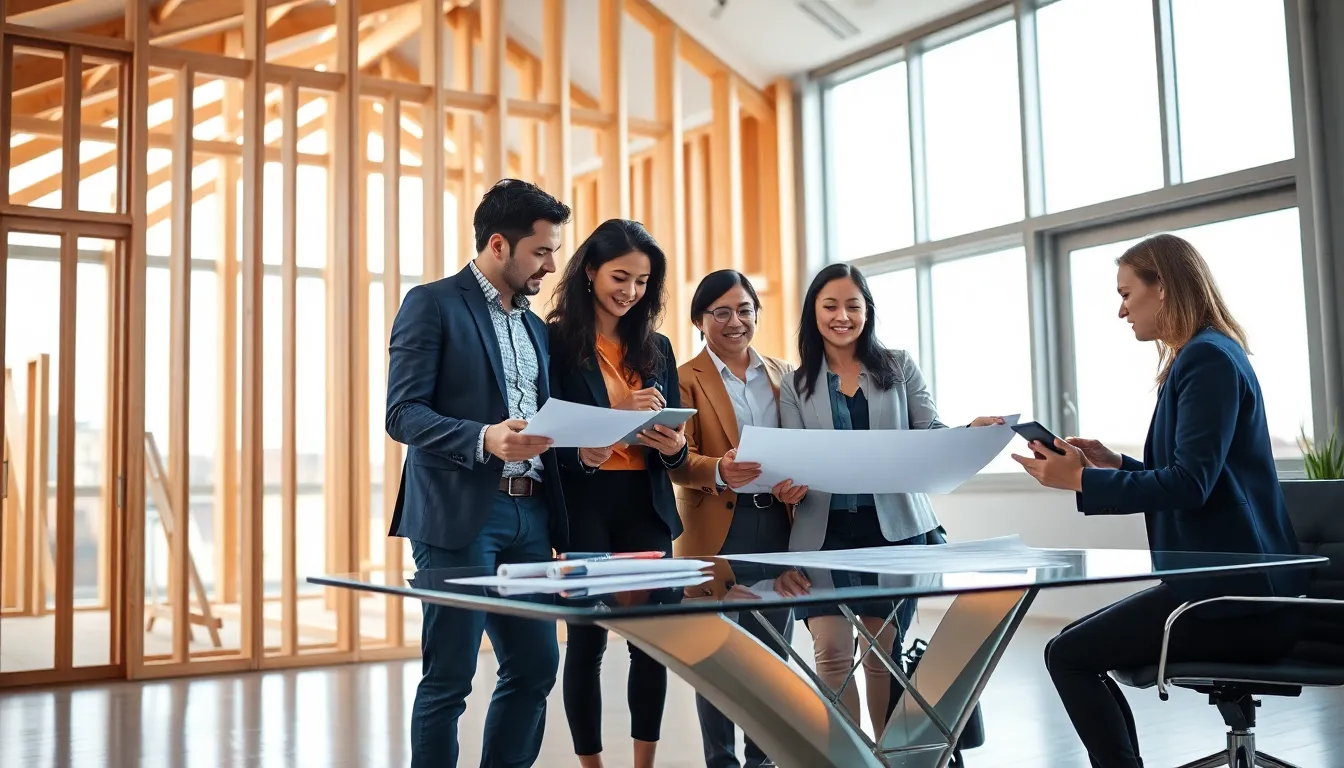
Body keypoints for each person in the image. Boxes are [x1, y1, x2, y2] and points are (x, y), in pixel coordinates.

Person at [1012, 234, 1304, 768]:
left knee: (1067, 655)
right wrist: (1112, 464)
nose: (1120, 309)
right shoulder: (1208, 354)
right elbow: (1198, 479)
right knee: (1069, 648)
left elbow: (1189, 486)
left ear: (1163, 288)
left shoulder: (1206, 360)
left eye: (1127, 293)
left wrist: (1079, 482)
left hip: (1234, 599)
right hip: (1227, 586)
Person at [384, 179, 573, 767]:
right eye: (541, 252)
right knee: (450, 678)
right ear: (499, 244)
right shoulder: (432, 303)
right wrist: (483, 437)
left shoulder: (536, 328)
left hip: (532, 512)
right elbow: (402, 413)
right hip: (461, 513)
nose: (550, 265)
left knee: (537, 665)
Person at [774, 262, 1002, 735]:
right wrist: (785, 483)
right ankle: (846, 759)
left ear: (867, 311)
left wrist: (967, 433)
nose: (842, 316)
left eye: (852, 306)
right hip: (823, 534)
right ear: (812, 313)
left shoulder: (898, 366)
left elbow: (929, 432)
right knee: (830, 651)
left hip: (894, 528)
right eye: (830, 305)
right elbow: (793, 458)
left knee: (882, 654)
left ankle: (888, 757)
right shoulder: (795, 384)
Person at [546, 219, 688, 768]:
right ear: (589, 271)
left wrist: (673, 443)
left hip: (645, 504)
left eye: (643, 281)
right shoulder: (554, 340)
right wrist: (606, 424)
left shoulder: (660, 347)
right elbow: (547, 430)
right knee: (586, 642)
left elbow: (675, 444)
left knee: (651, 642)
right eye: (620, 276)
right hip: (586, 504)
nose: (630, 291)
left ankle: (643, 764)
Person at [668, 269, 807, 768]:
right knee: (719, 656)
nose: (734, 321)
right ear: (700, 320)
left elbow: (803, 448)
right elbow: (676, 463)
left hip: (779, 526)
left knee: (772, 657)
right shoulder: (683, 379)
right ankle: (721, 761)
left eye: (744, 310)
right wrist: (720, 470)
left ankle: (763, 760)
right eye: (720, 312)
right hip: (714, 530)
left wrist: (801, 480)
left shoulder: (785, 375)